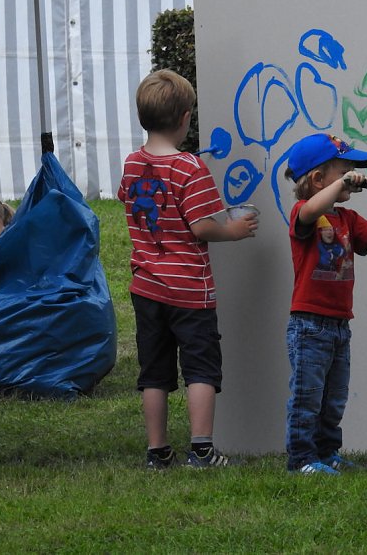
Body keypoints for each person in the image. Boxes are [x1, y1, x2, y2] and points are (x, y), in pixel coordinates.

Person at [117, 69, 258, 469]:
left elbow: (126, 198)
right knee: (200, 368)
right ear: (184, 118)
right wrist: (234, 230)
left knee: (155, 373)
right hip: (189, 291)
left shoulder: (131, 163)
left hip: (146, 287)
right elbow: (201, 227)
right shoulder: (190, 168)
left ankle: (157, 451)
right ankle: (201, 450)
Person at [284, 133, 367, 475]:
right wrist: (341, 181)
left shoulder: (348, 219)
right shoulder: (304, 214)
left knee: (333, 399)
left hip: (340, 325)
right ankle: (301, 460)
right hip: (309, 325)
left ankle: (327, 453)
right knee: (307, 398)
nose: (353, 175)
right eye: (345, 168)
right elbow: (311, 209)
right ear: (318, 179)